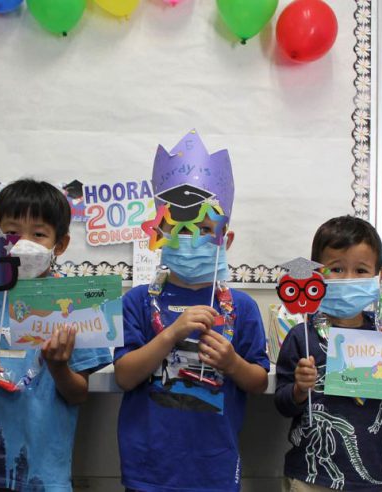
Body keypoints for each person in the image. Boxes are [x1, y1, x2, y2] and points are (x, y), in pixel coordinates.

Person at [114, 131, 270, 491]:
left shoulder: (241, 308)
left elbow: (258, 382)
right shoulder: (138, 301)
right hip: (148, 469)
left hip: (213, 468)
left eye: (202, 228)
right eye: (178, 228)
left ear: (225, 239)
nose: (190, 239)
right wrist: (171, 334)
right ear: (159, 235)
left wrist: (232, 363)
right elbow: (124, 377)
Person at [0, 179, 113, 491]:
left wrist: (58, 366)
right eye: (11, 233)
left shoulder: (78, 307)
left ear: (59, 244)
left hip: (43, 466)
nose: (23, 243)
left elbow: (78, 394)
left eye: (38, 234)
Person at [275, 216, 382, 491]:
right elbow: (283, 404)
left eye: (361, 271)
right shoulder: (302, 335)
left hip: (370, 477)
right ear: (315, 275)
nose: (349, 279)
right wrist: (300, 389)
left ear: (379, 276)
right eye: (336, 269)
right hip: (309, 477)